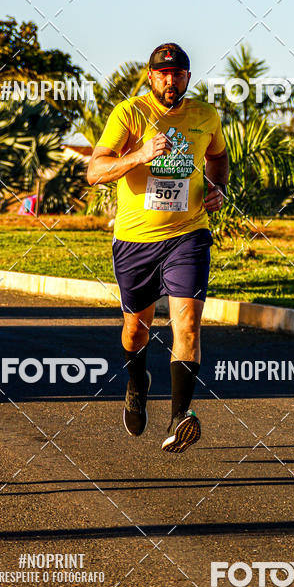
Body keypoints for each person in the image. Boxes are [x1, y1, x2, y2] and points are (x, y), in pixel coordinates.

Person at [87, 43, 229, 453]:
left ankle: (180, 417)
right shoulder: (130, 113)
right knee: (136, 330)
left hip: (188, 234)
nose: (170, 80)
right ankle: (137, 381)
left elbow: (218, 158)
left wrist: (218, 188)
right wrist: (141, 154)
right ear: (150, 76)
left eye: (178, 73)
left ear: (188, 77)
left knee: (188, 324)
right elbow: (95, 171)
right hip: (136, 241)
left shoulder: (205, 115)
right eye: (163, 74)